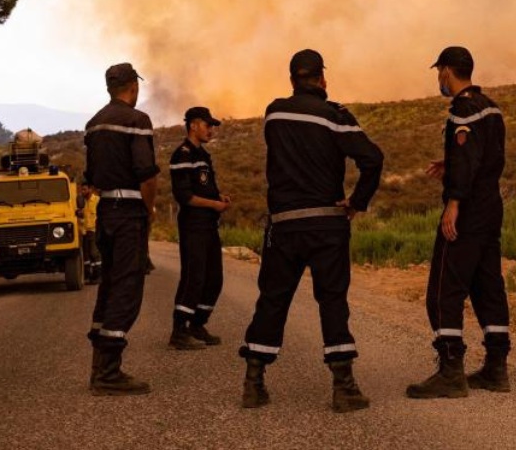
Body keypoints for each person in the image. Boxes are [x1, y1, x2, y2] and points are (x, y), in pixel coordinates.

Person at [239, 49, 384, 413]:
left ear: (291, 80)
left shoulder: (274, 112)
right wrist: (356, 202)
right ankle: (343, 387)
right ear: (322, 79)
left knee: (273, 299)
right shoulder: (336, 116)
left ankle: (253, 383)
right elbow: (373, 158)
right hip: (326, 223)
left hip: (284, 225)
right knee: (332, 300)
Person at [407, 46, 512, 399]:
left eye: (439, 72)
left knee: (444, 287)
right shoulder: (491, 107)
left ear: (447, 71)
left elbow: (468, 160)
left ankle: (451, 371)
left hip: (467, 209)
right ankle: (497, 368)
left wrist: (453, 204)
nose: (439, 79)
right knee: (487, 285)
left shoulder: (463, 110)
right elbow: (484, 157)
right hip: (490, 205)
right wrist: (450, 164)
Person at [84, 63, 160, 396]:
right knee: (127, 287)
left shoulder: (93, 124)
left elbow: (91, 175)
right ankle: (109, 373)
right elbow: (147, 174)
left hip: (105, 213)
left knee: (109, 285)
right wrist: (149, 209)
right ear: (132, 86)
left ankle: (99, 364)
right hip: (129, 212)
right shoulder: (137, 121)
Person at [167, 106, 230, 350]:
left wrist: (220, 198)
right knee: (194, 277)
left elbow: (205, 188)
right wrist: (214, 205)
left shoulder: (203, 155)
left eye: (213, 126)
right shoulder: (182, 155)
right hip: (193, 225)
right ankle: (179, 331)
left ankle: (197, 324)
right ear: (193, 125)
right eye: (208, 125)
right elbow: (185, 196)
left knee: (214, 278)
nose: (211, 130)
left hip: (208, 225)